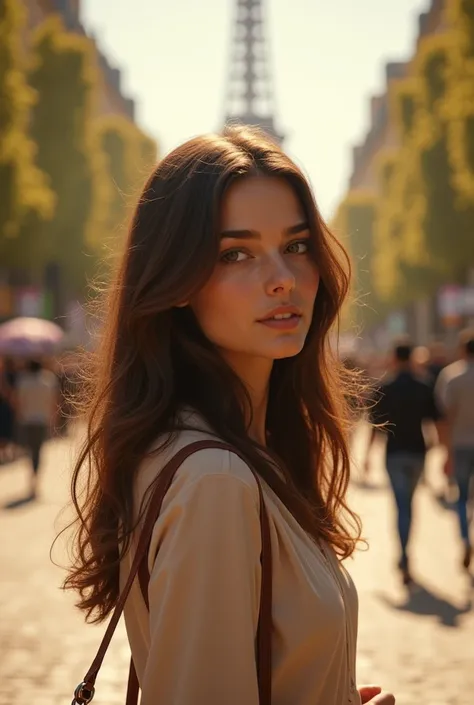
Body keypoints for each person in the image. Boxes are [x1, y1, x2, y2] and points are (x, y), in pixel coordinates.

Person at [62, 126, 395, 705]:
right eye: (234, 253)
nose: (283, 280)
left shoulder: (224, 452)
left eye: (295, 246)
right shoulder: (216, 480)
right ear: (177, 282)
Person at [365, 340, 442, 585]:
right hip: (418, 453)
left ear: (394, 358)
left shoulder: (385, 388)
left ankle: (404, 555)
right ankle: (406, 554)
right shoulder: (423, 385)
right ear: (411, 358)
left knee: (401, 506)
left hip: (394, 453)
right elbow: (436, 420)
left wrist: (367, 455)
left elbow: (375, 427)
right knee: (409, 503)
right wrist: (443, 448)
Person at [435, 328, 474, 570]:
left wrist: (445, 451)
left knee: (461, 497)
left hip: (459, 445)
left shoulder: (451, 377)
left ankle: (465, 539)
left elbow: (444, 417)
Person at [16, 359, 59, 498]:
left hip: (28, 420)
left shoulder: (23, 381)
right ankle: (36, 478)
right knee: (38, 450)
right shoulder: (48, 380)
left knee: (30, 450)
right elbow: (54, 401)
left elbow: (19, 401)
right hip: (42, 420)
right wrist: (54, 420)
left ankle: (32, 477)